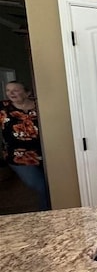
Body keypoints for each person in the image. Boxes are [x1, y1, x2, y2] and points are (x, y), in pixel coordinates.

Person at [0, 81, 50, 210]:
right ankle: (46, 217)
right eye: (8, 90)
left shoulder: (41, 105)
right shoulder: (3, 108)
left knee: (54, 186)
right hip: (19, 156)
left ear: (27, 92)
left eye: (15, 90)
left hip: (47, 153)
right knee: (42, 187)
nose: (11, 93)